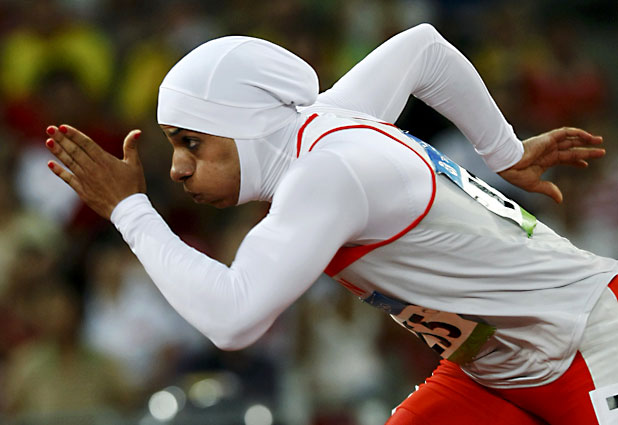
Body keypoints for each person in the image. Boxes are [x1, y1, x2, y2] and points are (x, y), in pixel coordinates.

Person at [43, 23, 618, 424]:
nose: (177, 168)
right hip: (495, 370)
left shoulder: (326, 174)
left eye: (192, 142)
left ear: (247, 125)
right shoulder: (326, 119)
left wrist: (130, 211)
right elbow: (423, 50)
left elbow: (234, 319)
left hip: (587, 341)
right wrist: (504, 152)